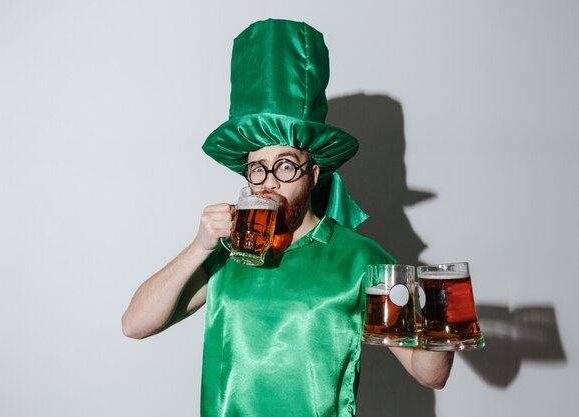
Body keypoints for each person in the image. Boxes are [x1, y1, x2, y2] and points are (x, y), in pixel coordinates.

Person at [122, 18, 454, 417]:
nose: (267, 183)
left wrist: (444, 311)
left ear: (313, 175)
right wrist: (199, 247)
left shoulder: (362, 259)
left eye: (284, 166)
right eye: (257, 168)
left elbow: (428, 373)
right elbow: (135, 324)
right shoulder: (228, 252)